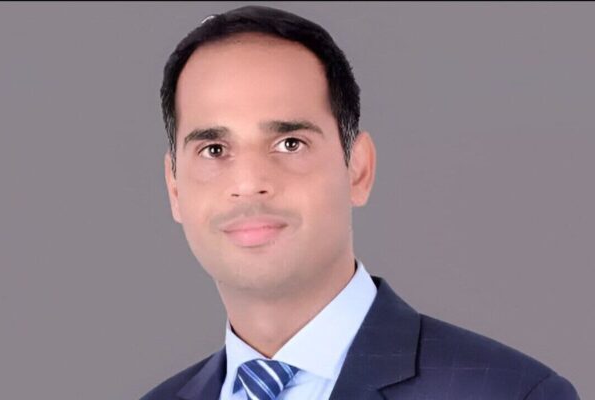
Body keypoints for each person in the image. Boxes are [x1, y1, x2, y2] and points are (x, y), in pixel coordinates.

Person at [141, 5, 580, 400]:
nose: (249, 182)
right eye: (214, 149)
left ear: (358, 169)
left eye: (290, 143)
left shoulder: (510, 393)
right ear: (174, 188)